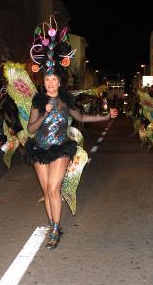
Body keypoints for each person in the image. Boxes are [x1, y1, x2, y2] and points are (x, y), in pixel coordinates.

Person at [26, 17, 118, 249]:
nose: (50, 83)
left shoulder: (66, 101)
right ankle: (51, 222)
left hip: (60, 148)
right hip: (39, 148)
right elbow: (30, 129)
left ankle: (56, 230)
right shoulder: (37, 102)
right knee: (46, 189)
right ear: (43, 81)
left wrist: (107, 117)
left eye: (54, 79)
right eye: (47, 79)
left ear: (59, 81)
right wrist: (45, 114)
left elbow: (82, 118)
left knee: (55, 188)